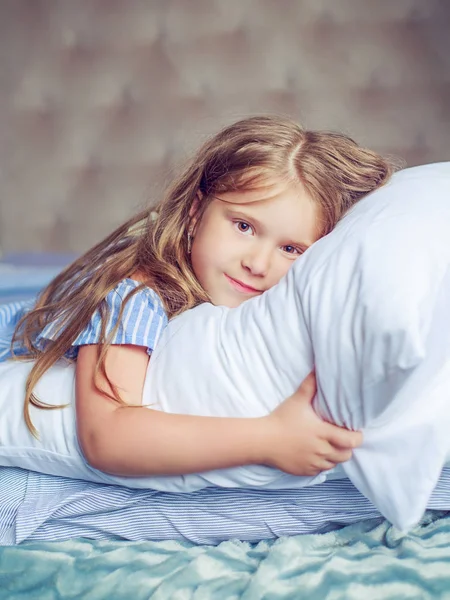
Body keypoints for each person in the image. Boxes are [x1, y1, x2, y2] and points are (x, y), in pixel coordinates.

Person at [0, 115, 397, 481]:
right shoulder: (134, 293)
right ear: (194, 214)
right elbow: (106, 437)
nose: (257, 264)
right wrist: (269, 438)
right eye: (243, 226)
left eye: (292, 249)